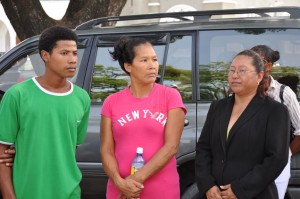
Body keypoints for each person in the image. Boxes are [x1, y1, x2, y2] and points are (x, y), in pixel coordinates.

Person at [0, 25, 91, 199]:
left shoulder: (82, 98)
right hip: (28, 192)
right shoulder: (17, 95)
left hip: (70, 193)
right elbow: (2, 154)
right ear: (45, 56)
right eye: (64, 53)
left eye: (74, 53)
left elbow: (69, 149)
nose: (72, 59)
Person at [195, 49, 290, 199]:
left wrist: (241, 189)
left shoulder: (275, 111)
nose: (234, 75)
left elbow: (276, 158)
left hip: (252, 194)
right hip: (215, 194)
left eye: (242, 71)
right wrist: (207, 184)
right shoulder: (218, 107)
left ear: (259, 76)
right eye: (232, 70)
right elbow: (203, 148)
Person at [100, 37, 186, 199]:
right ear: (128, 66)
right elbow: (106, 150)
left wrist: (133, 181)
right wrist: (120, 183)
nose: (152, 65)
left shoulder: (171, 97)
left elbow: (171, 147)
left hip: (161, 189)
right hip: (120, 189)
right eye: (144, 60)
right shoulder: (111, 102)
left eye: (154, 59)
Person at [251, 45, 300, 199]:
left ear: (269, 66)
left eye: (261, 61)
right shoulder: (242, 91)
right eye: (252, 60)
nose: (255, 64)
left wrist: (284, 156)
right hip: (249, 163)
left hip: (276, 166)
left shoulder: (283, 93)